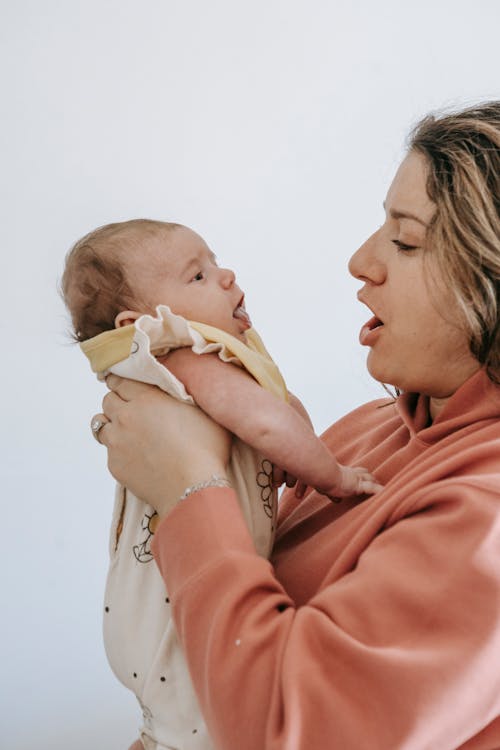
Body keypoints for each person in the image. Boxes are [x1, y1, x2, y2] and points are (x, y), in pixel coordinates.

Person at [93, 101, 500, 749]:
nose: (361, 261)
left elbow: (291, 734)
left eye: (406, 238)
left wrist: (187, 489)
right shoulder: (368, 430)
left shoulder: (486, 516)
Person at [62, 220, 380, 750]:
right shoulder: (183, 353)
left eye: (215, 263)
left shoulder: (206, 362)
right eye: (199, 276)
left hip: (165, 609)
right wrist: (335, 476)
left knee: (178, 726)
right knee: (205, 722)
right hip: (173, 608)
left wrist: (285, 445)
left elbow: (273, 413)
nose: (227, 276)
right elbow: (263, 422)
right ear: (140, 322)